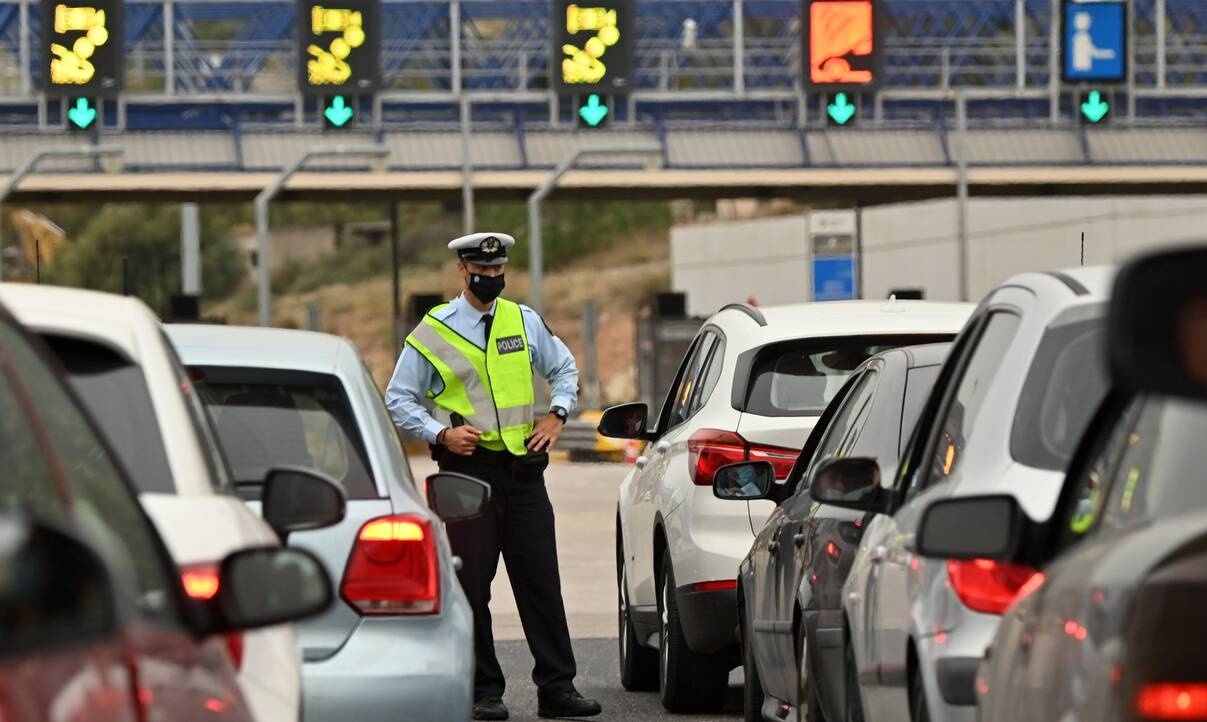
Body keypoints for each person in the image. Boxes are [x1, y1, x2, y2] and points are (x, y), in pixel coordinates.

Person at [385, 232, 602, 721]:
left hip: (524, 474)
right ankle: (483, 691)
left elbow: (564, 369)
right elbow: (398, 399)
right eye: (482, 274)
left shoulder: (522, 320)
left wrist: (558, 415)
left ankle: (557, 688)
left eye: (497, 272)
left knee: (540, 581)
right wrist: (440, 435)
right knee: (472, 587)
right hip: (468, 476)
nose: (491, 280)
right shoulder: (432, 331)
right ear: (463, 271)